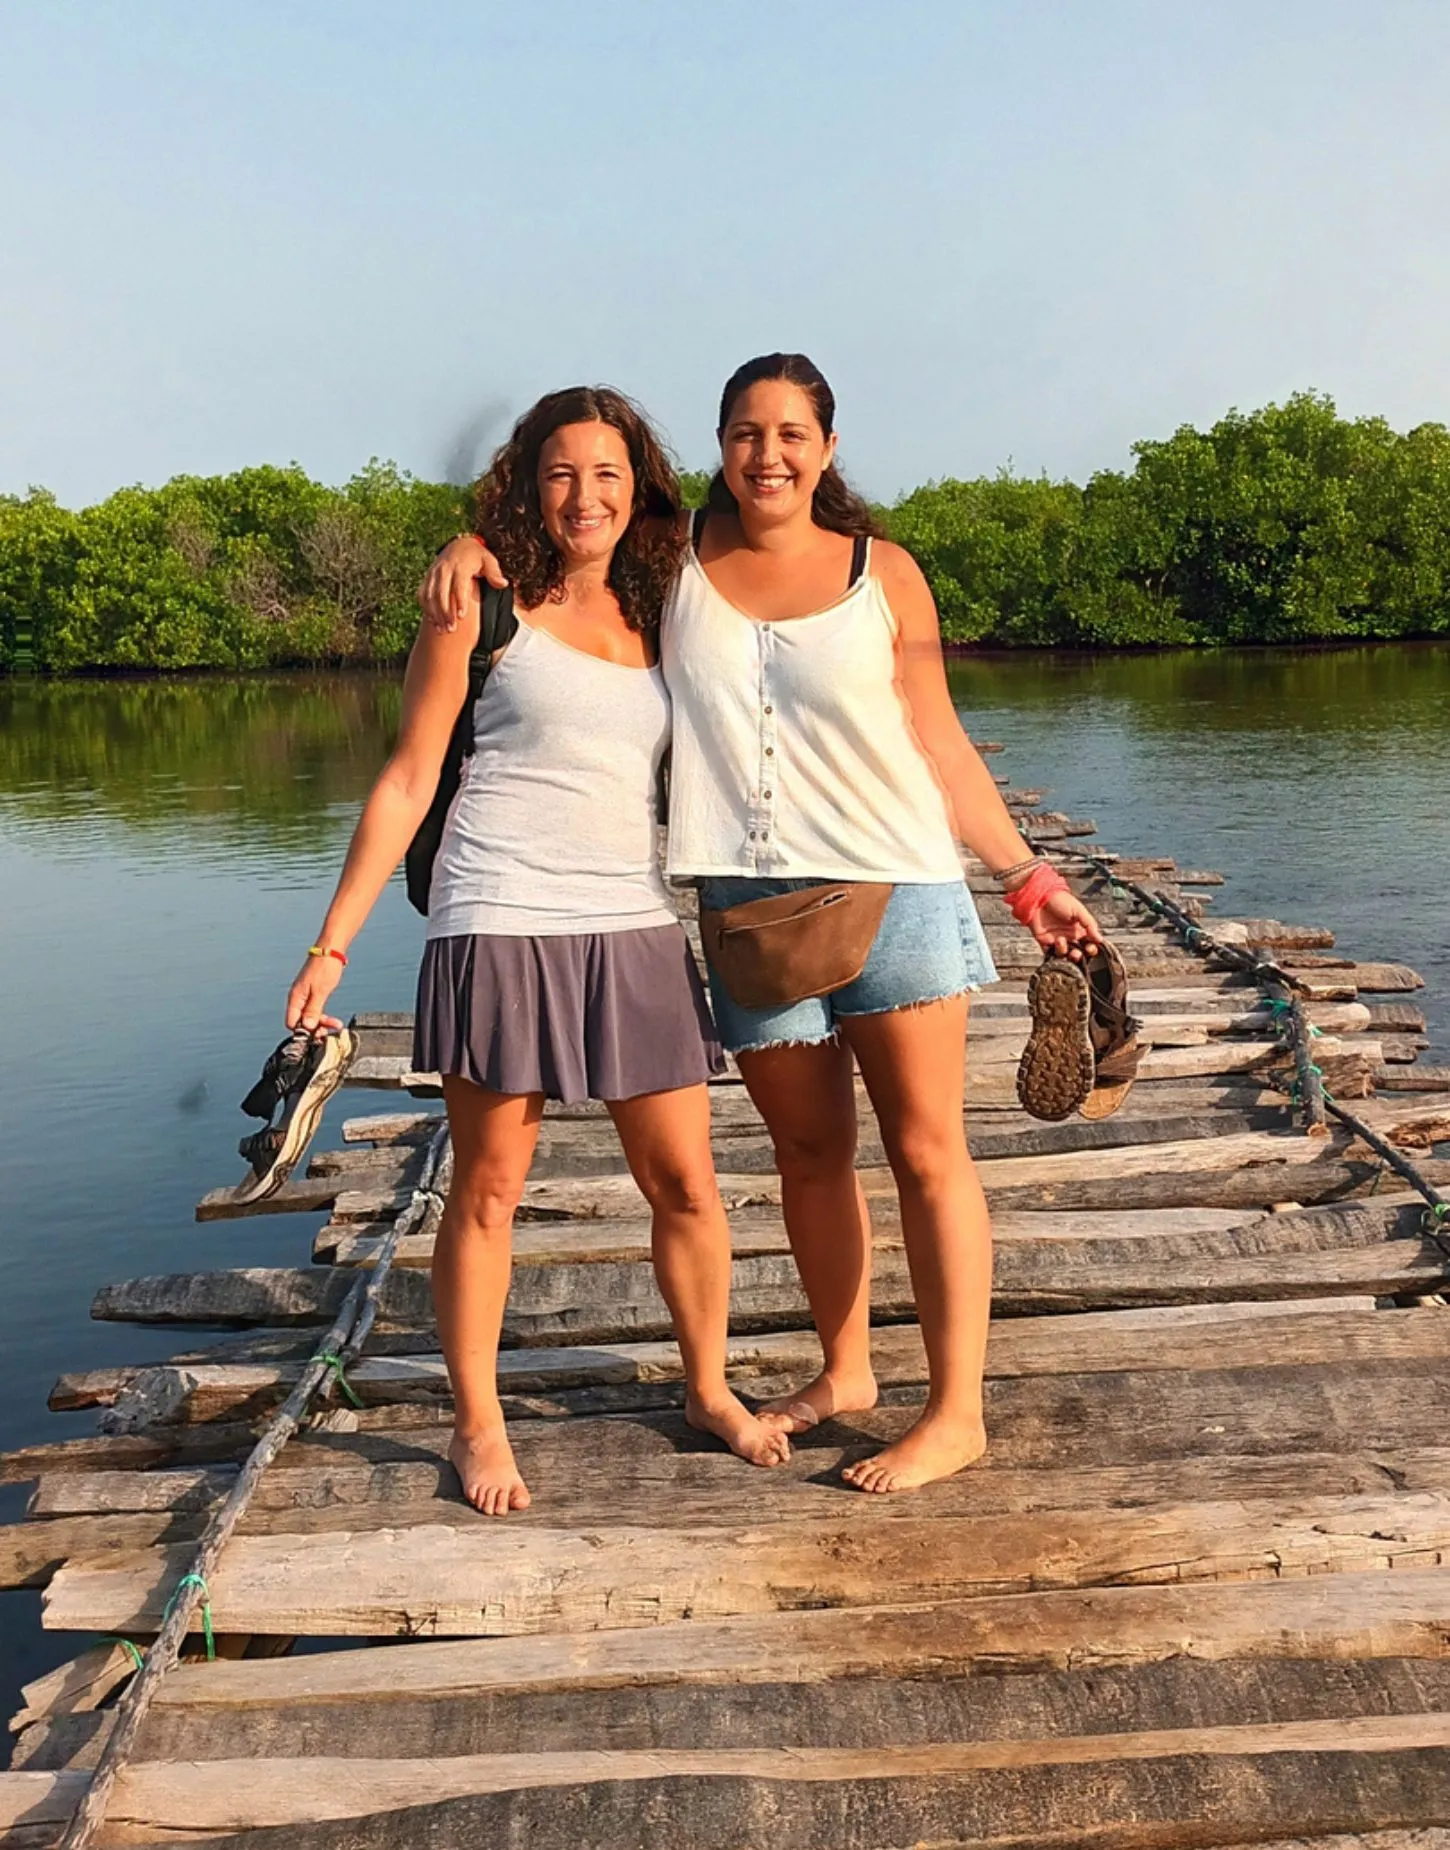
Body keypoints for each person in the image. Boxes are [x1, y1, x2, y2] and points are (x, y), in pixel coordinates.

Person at [426, 354, 1101, 1493]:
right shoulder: (669, 557)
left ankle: (956, 1409)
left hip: (898, 890)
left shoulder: (883, 571)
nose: (767, 454)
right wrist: (464, 546)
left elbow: (939, 738)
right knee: (807, 1153)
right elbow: (555, 537)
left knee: (929, 1152)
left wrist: (1027, 876)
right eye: (744, 433)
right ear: (718, 447)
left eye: (790, 434)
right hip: (746, 908)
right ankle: (845, 1371)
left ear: (826, 449)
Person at [289, 385, 790, 1517]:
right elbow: (411, 776)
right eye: (561, 472)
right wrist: (332, 942)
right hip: (498, 912)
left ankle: (706, 1386)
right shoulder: (479, 601)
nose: (586, 495)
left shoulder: (661, 606)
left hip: (630, 917)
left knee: (687, 1183)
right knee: (489, 1190)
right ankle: (478, 1420)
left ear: (639, 488)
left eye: (607, 474)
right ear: (527, 485)